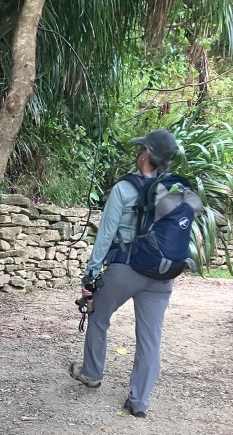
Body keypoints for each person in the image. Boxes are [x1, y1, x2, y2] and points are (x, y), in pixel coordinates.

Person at [69, 129, 179, 418]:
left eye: (141, 147)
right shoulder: (173, 190)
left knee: (98, 316)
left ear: (145, 154)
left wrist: (90, 276)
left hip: (126, 269)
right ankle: (139, 401)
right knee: (150, 338)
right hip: (161, 276)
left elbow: (105, 237)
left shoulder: (123, 189)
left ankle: (92, 373)